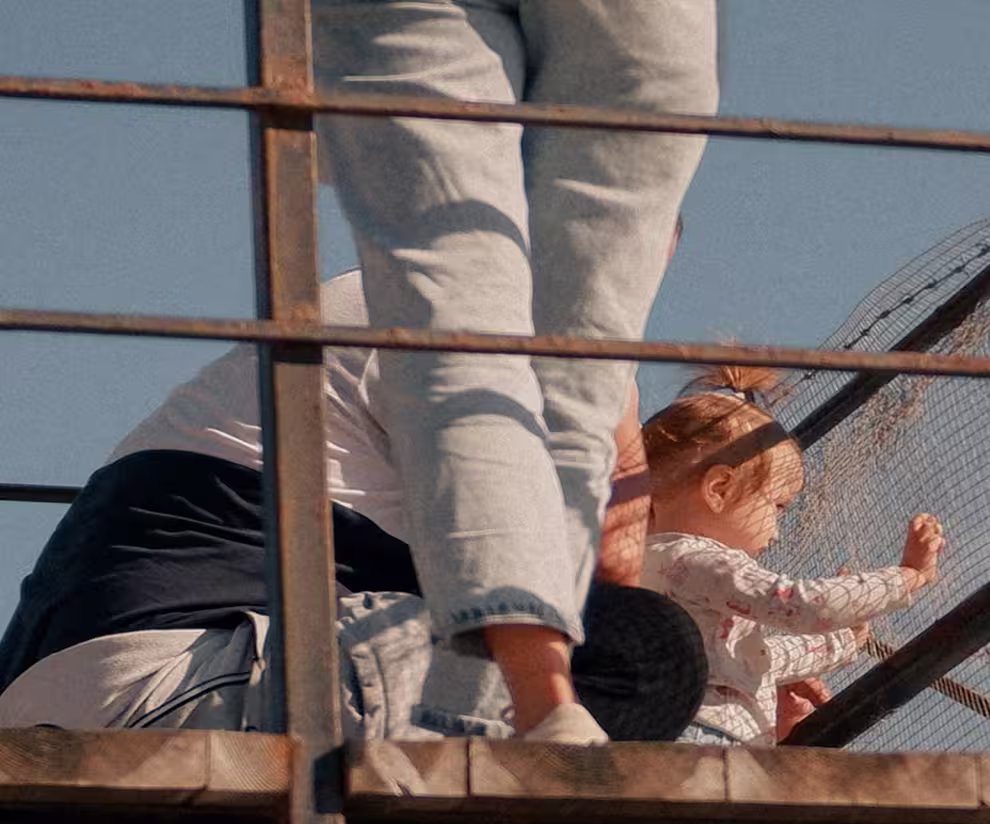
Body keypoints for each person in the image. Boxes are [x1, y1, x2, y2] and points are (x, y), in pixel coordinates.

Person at [0, 270, 707, 743]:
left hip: (104, 683)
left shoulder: (380, 295)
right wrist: (615, 398)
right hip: (171, 676)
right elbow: (608, 568)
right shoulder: (459, 317)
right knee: (645, 652)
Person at [311, 0, 719, 741]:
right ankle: (536, 708)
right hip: (271, 623)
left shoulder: (356, 299)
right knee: (648, 648)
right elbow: (617, 560)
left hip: (215, 594)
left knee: (456, 309)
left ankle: (536, 705)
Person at [640, 365, 946, 747]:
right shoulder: (699, 560)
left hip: (669, 732)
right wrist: (906, 577)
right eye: (778, 505)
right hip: (705, 738)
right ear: (720, 489)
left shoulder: (649, 567)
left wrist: (844, 640)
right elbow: (801, 604)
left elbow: (758, 660)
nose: (777, 529)